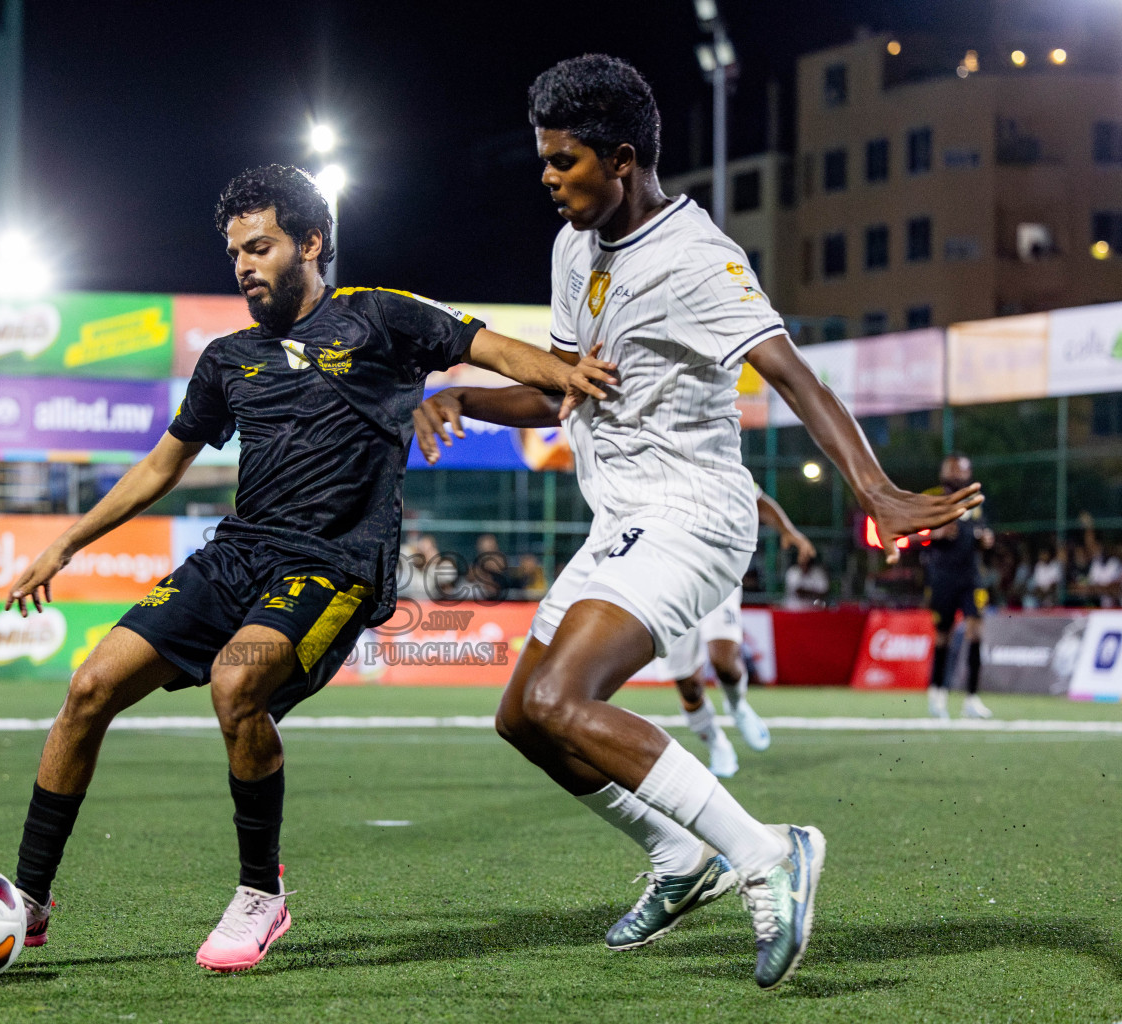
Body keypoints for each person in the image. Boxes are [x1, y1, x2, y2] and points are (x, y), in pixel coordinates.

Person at [412, 55, 981, 989]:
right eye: (544, 160)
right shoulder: (572, 247)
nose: (548, 179)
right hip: (620, 519)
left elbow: (794, 374)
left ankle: (769, 852)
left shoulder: (697, 257)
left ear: (623, 158)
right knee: (523, 718)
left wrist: (873, 489)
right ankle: (682, 859)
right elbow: (562, 391)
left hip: (693, 515)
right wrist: (465, 391)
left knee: (565, 702)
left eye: (565, 162)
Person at [1, 165, 614, 972]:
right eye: (233, 254)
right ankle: (28, 899)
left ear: (311, 242)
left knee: (235, 682)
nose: (243, 266)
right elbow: (160, 467)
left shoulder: (381, 319)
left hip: (337, 568)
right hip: (236, 556)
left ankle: (262, 892)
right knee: (88, 688)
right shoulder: (227, 360)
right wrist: (65, 544)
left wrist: (568, 373)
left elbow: (487, 347)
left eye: (259, 247)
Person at [664, 491, 815, 778]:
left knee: (724, 662)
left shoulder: (712, 457)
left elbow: (756, 498)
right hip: (672, 581)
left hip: (718, 572)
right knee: (689, 686)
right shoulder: (651, 468)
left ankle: (737, 705)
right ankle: (717, 744)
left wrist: (788, 531)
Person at [923, 454, 995, 720]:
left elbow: (981, 530)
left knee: (976, 630)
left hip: (971, 576)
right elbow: (916, 532)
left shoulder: (974, 502)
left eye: (962, 469)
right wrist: (934, 535)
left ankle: (972, 699)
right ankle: (938, 695)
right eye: (953, 469)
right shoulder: (933, 498)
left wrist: (986, 539)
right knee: (943, 635)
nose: (957, 474)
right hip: (942, 575)